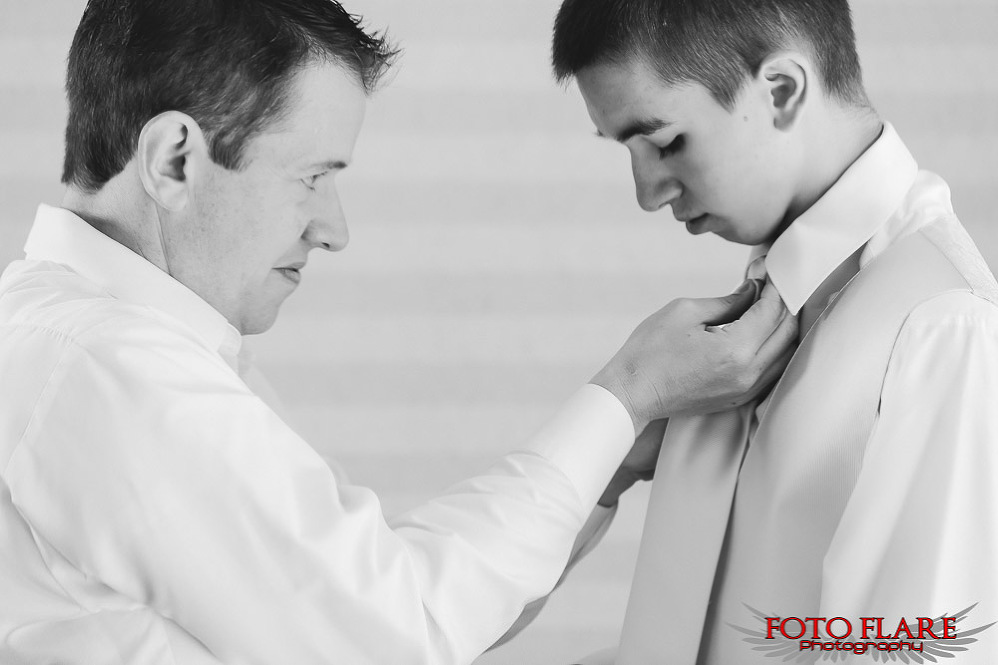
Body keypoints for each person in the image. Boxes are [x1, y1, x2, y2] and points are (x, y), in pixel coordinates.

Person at [0, 1, 798, 664]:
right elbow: (401, 631)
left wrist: (612, 457)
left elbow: (376, 606)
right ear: (176, 159)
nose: (333, 230)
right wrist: (623, 399)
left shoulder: (78, 345)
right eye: (313, 178)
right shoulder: (111, 372)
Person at [551, 0, 998, 663]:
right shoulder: (738, 327)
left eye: (668, 141)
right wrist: (613, 442)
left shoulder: (937, 328)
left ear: (782, 90)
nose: (647, 192)